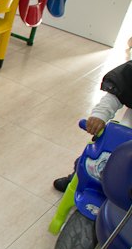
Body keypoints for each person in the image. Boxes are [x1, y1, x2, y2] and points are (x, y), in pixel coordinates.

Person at [53, 60, 132, 192]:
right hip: (123, 141)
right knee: (91, 161)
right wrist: (100, 115)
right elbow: (117, 91)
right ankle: (75, 179)